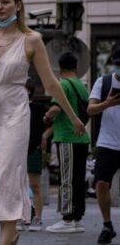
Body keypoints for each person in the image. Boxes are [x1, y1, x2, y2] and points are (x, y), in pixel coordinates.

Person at [0, 0, 86, 245]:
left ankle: (5, 239)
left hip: (15, 110)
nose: (0, 7)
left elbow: (50, 83)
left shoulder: (31, 39)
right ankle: (11, 230)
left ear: (18, 5)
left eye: (5, 2)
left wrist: (73, 116)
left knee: (7, 168)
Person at [43, 52, 90, 234]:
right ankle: (77, 218)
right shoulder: (82, 86)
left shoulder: (62, 84)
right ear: (76, 67)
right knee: (78, 179)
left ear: (60, 69)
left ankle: (67, 218)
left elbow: (56, 108)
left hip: (67, 137)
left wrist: (47, 116)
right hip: (82, 138)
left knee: (67, 179)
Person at [88, 43, 120, 244]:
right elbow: (90, 110)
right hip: (108, 142)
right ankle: (107, 225)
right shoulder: (104, 82)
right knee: (101, 184)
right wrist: (107, 103)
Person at [19, 79, 47, 232]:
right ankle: (21, 217)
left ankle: (37, 218)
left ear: (28, 90)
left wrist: (44, 136)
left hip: (33, 149)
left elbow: (51, 124)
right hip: (16, 150)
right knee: (18, 186)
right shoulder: (14, 107)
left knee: (35, 186)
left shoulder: (39, 108)